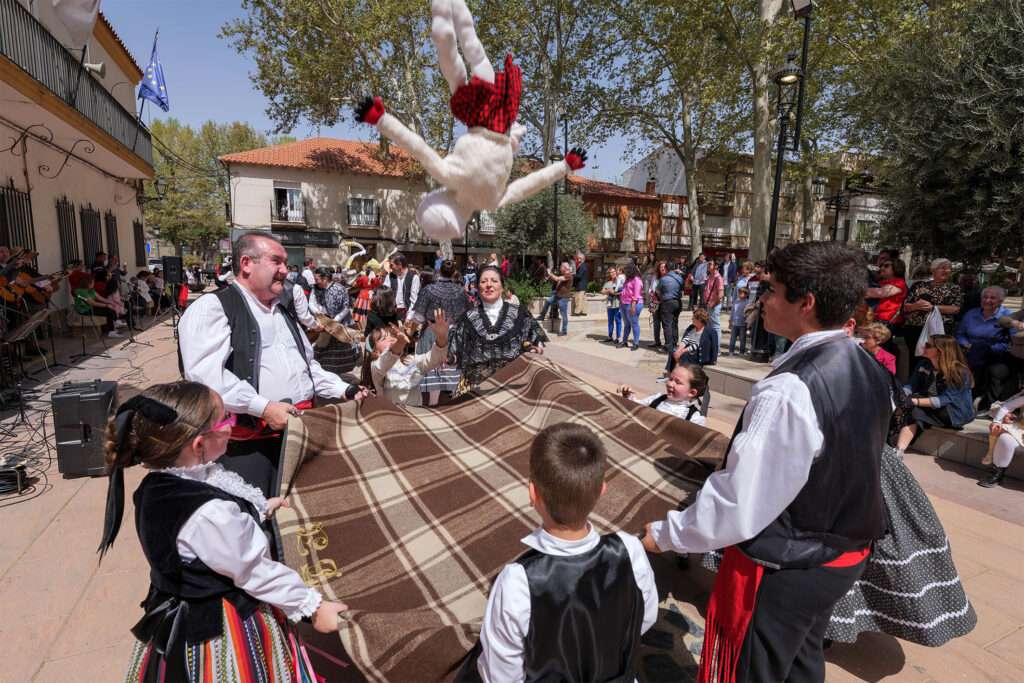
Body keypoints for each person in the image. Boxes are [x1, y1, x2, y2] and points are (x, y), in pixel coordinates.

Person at [642, 241, 892, 683]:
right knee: (798, 658)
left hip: (789, 564)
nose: (763, 300)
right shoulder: (865, 363)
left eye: (773, 291)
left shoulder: (791, 390)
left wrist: (666, 534)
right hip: (842, 550)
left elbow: (742, 499)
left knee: (751, 668)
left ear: (806, 302)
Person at [99, 382, 345, 682]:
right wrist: (313, 608)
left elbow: (212, 537)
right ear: (199, 444)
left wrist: (263, 506)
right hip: (221, 620)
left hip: (176, 607)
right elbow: (254, 570)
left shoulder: (162, 485)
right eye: (226, 419)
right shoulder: (209, 514)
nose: (233, 424)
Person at [463, 423, 658, 682]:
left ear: (533, 493)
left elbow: (501, 675)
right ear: (601, 490)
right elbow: (646, 618)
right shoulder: (630, 549)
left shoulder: (517, 581)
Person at [178, 232, 368, 497]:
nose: (285, 270)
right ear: (246, 263)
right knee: (258, 518)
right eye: (276, 261)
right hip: (247, 447)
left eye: (285, 263)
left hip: (297, 436)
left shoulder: (282, 310)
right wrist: (264, 408)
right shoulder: (213, 307)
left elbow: (307, 366)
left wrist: (343, 389)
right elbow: (206, 378)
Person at [448, 265, 547, 393]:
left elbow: (535, 345)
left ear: (502, 287)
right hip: (475, 391)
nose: (489, 285)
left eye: (494, 281)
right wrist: (441, 341)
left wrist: (534, 349)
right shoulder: (466, 318)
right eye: (483, 281)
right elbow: (452, 356)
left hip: (512, 389)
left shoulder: (520, 315)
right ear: (478, 288)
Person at [896, 335, 974, 451]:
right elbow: (911, 385)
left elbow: (942, 401)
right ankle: (899, 450)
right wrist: (901, 395)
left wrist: (912, 401)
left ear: (940, 351)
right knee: (907, 407)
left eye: (928, 345)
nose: (923, 347)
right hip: (932, 405)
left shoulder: (959, 372)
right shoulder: (923, 364)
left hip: (953, 413)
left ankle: (898, 449)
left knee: (913, 409)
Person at [410, 259, 471, 405]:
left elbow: (417, 318)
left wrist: (411, 333)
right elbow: (467, 318)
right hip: (453, 335)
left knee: (430, 369)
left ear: (439, 272)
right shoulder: (461, 292)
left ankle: (431, 407)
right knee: (450, 372)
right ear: (453, 272)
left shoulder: (428, 290)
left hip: (431, 332)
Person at [366, 312, 449, 406]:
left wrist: (441, 337)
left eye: (392, 335)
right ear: (375, 351)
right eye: (384, 338)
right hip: (392, 416)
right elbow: (386, 361)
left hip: (416, 416)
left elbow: (433, 359)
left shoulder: (410, 360)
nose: (390, 338)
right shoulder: (375, 366)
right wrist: (400, 343)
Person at [956, 286, 1013, 412]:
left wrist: (987, 348)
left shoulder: (1007, 316)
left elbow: (1011, 341)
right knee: (976, 350)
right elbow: (960, 334)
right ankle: (968, 397)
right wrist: (966, 344)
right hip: (970, 351)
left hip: (996, 353)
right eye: (985, 297)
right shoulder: (971, 314)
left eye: (992, 298)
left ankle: (970, 397)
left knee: (980, 348)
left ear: (1001, 301)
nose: (987, 300)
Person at [901, 258, 963, 360]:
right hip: (915, 328)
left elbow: (956, 308)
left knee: (936, 359)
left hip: (939, 330)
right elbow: (905, 306)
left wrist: (933, 308)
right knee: (915, 359)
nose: (946, 271)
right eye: (943, 268)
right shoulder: (918, 285)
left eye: (949, 269)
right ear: (933, 270)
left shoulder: (954, 288)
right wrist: (916, 306)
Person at [619, 363, 708, 426]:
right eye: (670, 379)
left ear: (691, 392)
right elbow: (636, 408)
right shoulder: (657, 399)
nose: (669, 384)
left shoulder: (694, 418)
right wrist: (627, 396)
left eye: (677, 382)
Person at [980, 390, 1024, 487]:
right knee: (1005, 439)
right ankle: (997, 473)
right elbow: (1007, 406)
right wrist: (997, 421)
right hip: (1022, 430)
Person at [665, 307, 714, 375]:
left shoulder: (705, 331)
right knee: (673, 351)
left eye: (694, 318)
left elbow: (697, 345)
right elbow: (686, 339)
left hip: (697, 353)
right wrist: (679, 349)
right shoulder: (692, 328)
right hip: (688, 350)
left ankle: (680, 372)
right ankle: (669, 371)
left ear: (699, 320)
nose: (692, 319)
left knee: (684, 355)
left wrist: (682, 351)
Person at [536, 261, 573, 336]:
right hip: (557, 295)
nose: (560, 268)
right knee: (548, 302)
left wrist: (550, 273)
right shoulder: (564, 274)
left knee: (564, 315)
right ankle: (542, 316)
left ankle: (564, 331)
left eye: (561, 266)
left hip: (563, 298)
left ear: (565, 268)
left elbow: (557, 279)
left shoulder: (568, 275)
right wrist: (549, 276)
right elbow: (556, 279)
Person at [656, 260, 684, 355]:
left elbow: (658, 291)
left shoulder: (663, 279)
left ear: (667, 268)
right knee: (675, 323)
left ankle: (668, 346)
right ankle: (675, 344)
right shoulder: (679, 278)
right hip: (678, 302)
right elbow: (683, 288)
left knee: (667, 324)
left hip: (667, 303)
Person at [387, 253, 421, 320]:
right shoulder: (389, 276)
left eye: (391, 265)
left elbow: (414, 301)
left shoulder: (414, 277)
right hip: (391, 313)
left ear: (399, 265)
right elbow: (384, 295)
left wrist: (409, 318)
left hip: (406, 313)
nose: (390, 268)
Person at [703, 259, 725, 364]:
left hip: (714, 305)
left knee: (716, 326)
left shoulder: (718, 278)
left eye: (710, 264)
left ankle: (717, 349)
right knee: (710, 326)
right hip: (708, 304)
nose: (708, 265)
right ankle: (711, 347)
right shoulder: (709, 276)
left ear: (716, 266)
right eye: (708, 264)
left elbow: (721, 294)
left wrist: (713, 302)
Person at [619, 264, 644, 350]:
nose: (624, 272)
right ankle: (624, 341)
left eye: (626, 271)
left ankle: (636, 343)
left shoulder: (636, 280)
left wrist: (633, 306)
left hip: (633, 304)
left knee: (634, 323)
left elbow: (636, 295)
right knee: (626, 324)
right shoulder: (628, 279)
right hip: (624, 303)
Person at [601, 266, 625, 344]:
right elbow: (602, 291)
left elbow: (624, 291)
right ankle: (610, 336)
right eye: (611, 272)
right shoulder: (608, 283)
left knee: (618, 320)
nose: (613, 273)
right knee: (610, 321)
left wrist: (615, 293)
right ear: (609, 274)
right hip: (610, 305)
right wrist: (609, 290)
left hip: (618, 304)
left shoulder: (620, 281)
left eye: (614, 271)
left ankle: (618, 337)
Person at [727, 287, 750, 357]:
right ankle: (731, 351)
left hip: (743, 324)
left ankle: (741, 352)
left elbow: (748, 313)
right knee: (732, 338)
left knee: (742, 338)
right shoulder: (736, 301)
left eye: (741, 293)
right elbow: (732, 312)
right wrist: (730, 321)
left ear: (746, 294)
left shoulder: (747, 302)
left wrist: (747, 323)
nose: (739, 294)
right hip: (734, 323)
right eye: (739, 293)